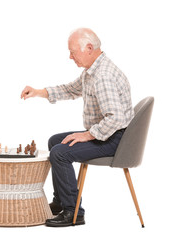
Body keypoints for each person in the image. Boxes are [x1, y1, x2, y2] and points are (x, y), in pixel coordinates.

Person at [21, 28, 134, 227]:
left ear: (89, 48)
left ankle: (73, 212)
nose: (70, 57)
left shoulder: (103, 76)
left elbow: (115, 118)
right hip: (107, 134)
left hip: (116, 139)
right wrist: (39, 92)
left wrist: (88, 135)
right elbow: (71, 89)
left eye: (73, 52)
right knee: (55, 141)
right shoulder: (92, 71)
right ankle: (61, 201)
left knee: (60, 153)